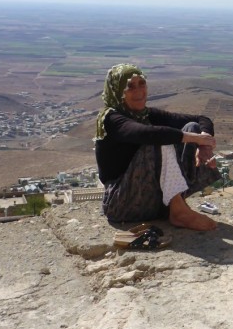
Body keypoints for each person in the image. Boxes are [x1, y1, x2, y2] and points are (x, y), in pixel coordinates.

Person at [94, 63, 219, 231]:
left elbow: (201, 119)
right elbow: (144, 134)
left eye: (141, 84)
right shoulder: (112, 119)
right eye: (129, 86)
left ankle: (176, 204)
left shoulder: (146, 114)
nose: (138, 91)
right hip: (122, 204)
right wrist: (193, 139)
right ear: (118, 91)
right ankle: (179, 212)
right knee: (159, 139)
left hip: (153, 203)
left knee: (191, 127)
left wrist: (204, 145)